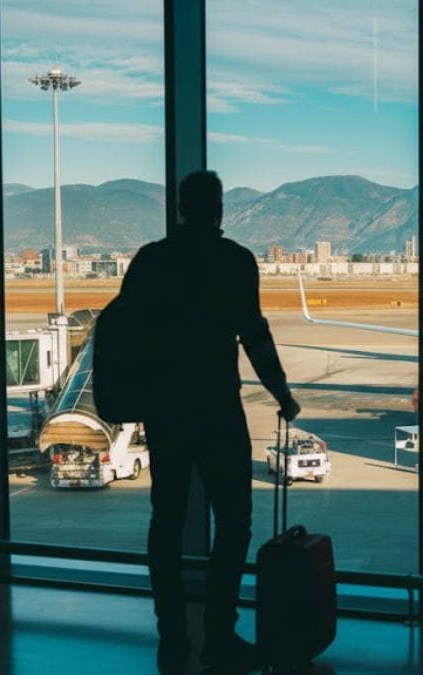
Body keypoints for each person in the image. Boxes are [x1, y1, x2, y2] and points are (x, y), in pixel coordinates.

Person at [119, 171, 301, 673]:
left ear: (180, 207)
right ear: (219, 209)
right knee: (235, 520)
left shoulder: (150, 260)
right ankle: (220, 632)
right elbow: (255, 335)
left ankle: (171, 633)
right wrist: (281, 393)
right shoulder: (234, 261)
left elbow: (123, 331)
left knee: (166, 519)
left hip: (165, 408)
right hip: (217, 405)